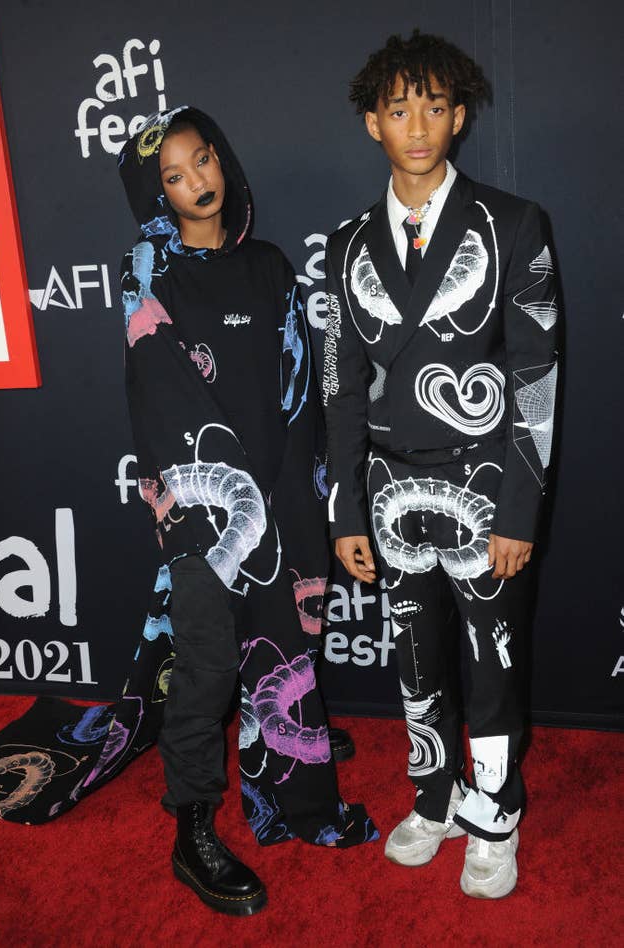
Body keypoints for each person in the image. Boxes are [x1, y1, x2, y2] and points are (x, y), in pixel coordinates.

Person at [117, 106, 377, 917]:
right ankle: (191, 827)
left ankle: (290, 774)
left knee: (285, 645)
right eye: (174, 173)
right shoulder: (147, 270)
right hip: (203, 510)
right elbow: (158, 393)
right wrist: (229, 501)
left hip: (280, 496)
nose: (197, 181)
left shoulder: (270, 267)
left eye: (204, 160)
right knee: (206, 668)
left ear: (224, 160)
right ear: (154, 193)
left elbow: (296, 394)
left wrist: (298, 496)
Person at [322, 31, 558, 899]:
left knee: (492, 664)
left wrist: (519, 514)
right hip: (388, 494)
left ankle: (496, 814)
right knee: (415, 661)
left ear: (458, 117)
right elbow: (341, 390)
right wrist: (346, 509)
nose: (416, 124)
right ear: (370, 124)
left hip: (487, 482)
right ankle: (436, 794)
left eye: (432, 105)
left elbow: (535, 380)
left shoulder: (513, 223)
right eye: (397, 107)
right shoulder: (346, 246)